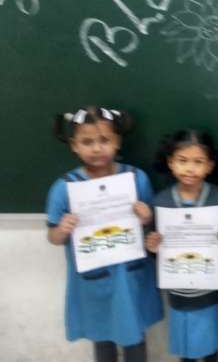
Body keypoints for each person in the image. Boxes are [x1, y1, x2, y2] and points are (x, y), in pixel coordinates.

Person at [46, 106, 163, 362]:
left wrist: (146, 217)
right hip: (93, 279)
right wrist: (62, 230)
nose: (97, 149)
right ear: (74, 145)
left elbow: (153, 224)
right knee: (101, 336)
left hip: (130, 275)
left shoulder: (137, 178)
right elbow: (52, 237)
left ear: (117, 142)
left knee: (135, 335)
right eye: (87, 142)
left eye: (105, 140)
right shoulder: (64, 187)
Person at [145, 129, 218, 362]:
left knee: (211, 346)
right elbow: (156, 250)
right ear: (170, 162)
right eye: (182, 160)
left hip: (212, 289)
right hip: (179, 291)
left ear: (210, 166)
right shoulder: (161, 201)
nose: (189, 168)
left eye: (198, 162)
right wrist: (153, 247)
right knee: (185, 349)